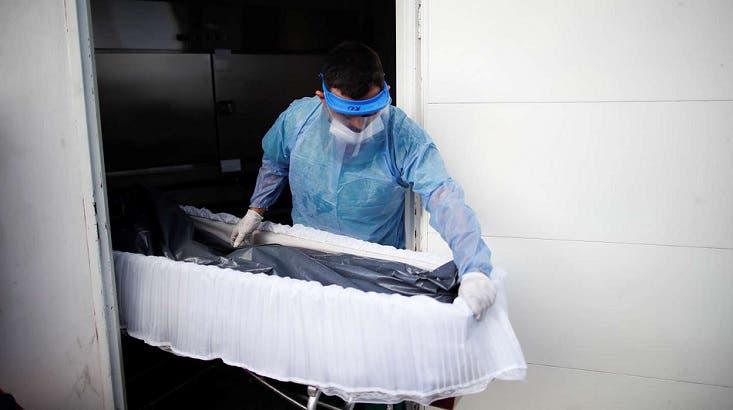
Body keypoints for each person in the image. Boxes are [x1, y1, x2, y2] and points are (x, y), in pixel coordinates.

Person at [231, 42, 497, 319]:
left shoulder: (401, 136)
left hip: (375, 270)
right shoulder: (298, 121)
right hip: (307, 256)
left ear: (386, 92)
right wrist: (256, 211)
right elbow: (275, 163)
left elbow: (443, 196)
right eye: (348, 116)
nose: (359, 126)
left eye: (369, 114)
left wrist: (474, 269)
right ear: (322, 98)